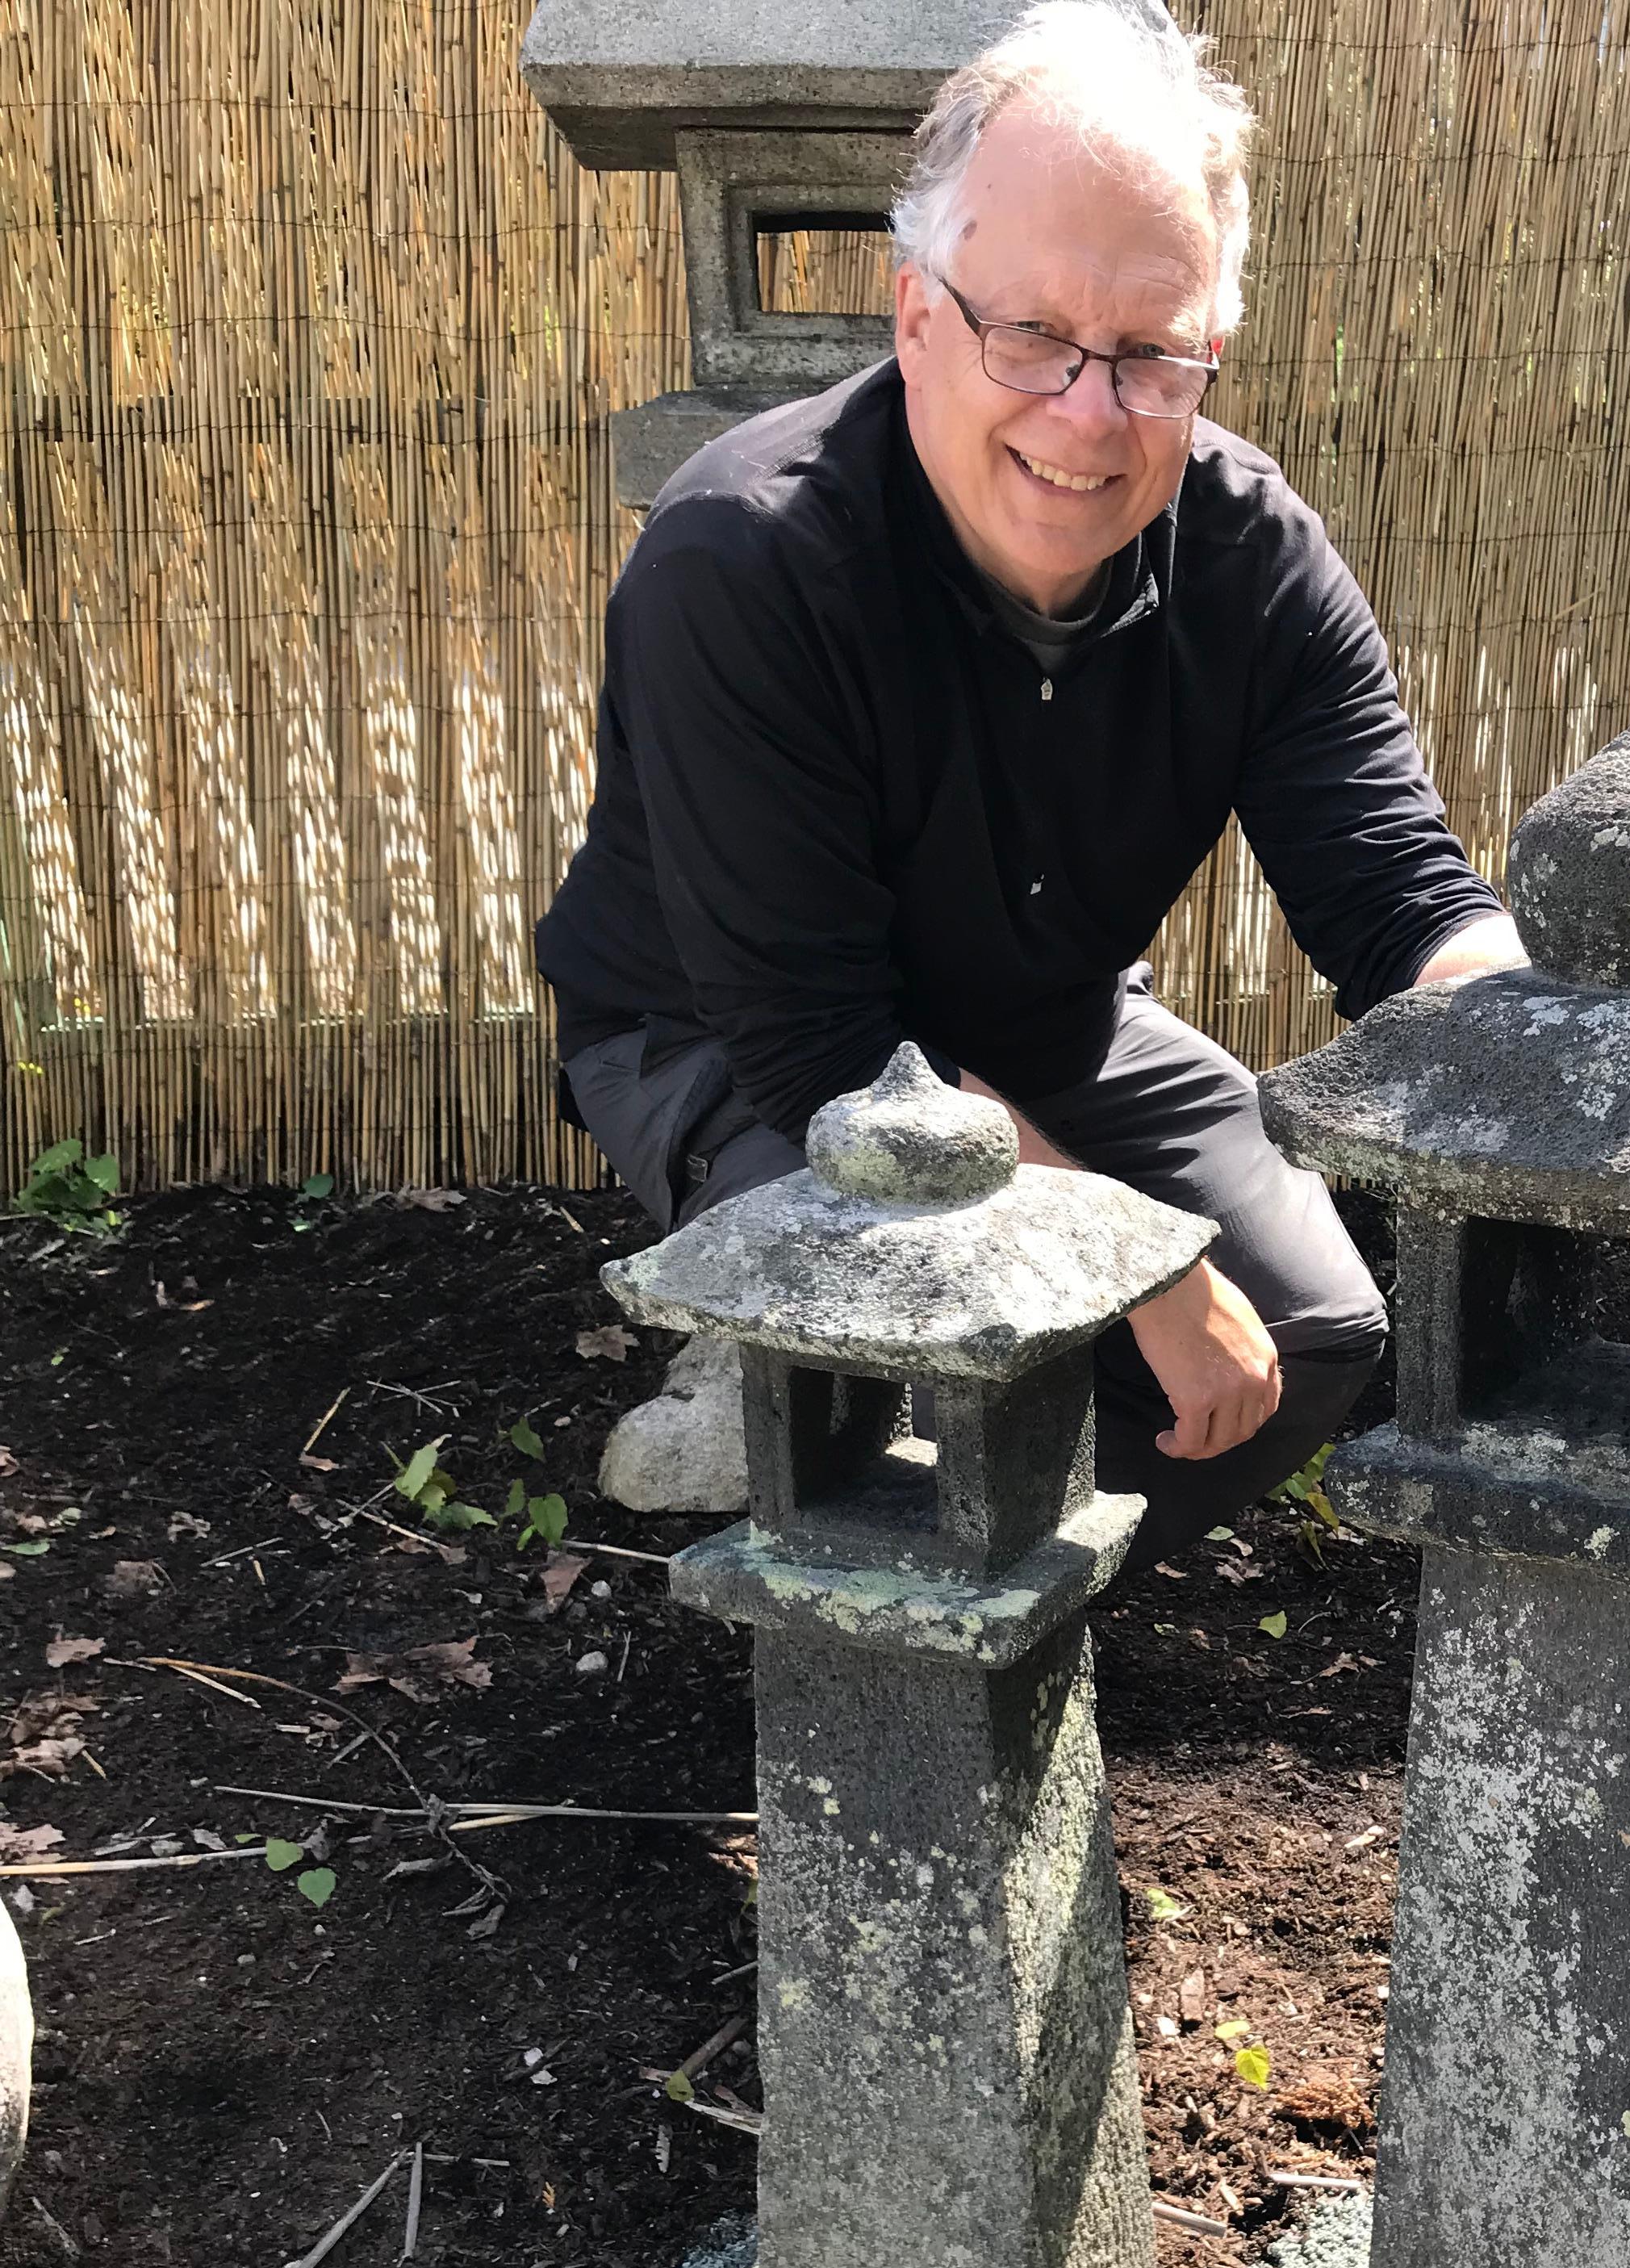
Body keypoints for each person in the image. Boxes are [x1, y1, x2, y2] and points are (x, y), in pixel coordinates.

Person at [535, 0, 1523, 1552]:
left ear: (1211, 349)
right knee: (934, 1326)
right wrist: (1139, 1266)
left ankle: (1014, 1598)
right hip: (730, 1043)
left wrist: (1545, 1044)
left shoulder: (1250, 551)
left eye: (1150, 356)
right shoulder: (741, 558)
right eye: (1036, 336)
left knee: (1314, 1330)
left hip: (1050, 1022)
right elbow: (817, 1045)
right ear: (917, 311)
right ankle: (864, 1640)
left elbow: (1392, 888)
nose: (1088, 413)